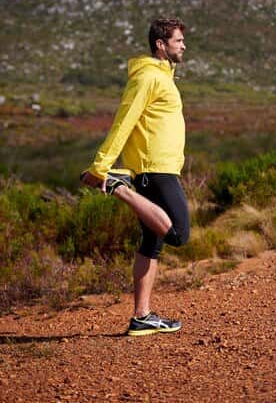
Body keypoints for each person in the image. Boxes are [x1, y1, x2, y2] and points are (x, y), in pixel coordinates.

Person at [80, 17, 191, 336]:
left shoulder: (163, 76)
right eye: (178, 40)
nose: (183, 45)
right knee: (179, 234)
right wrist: (102, 168)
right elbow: (124, 121)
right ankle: (118, 188)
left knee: (152, 243)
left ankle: (142, 316)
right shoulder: (147, 78)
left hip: (161, 166)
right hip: (154, 168)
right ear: (161, 44)